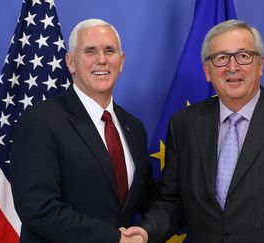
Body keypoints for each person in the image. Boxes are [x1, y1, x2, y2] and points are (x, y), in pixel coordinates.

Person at [123, 19, 264, 242]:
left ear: (260, 64)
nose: (232, 67)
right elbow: (172, 201)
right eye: (221, 58)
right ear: (207, 70)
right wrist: (146, 233)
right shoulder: (184, 124)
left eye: (243, 56)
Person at [10, 19, 155, 243]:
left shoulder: (133, 127)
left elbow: (146, 198)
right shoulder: (40, 121)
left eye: (110, 51)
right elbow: (37, 208)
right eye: (90, 51)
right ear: (70, 62)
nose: (102, 60)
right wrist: (113, 238)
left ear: (121, 60)